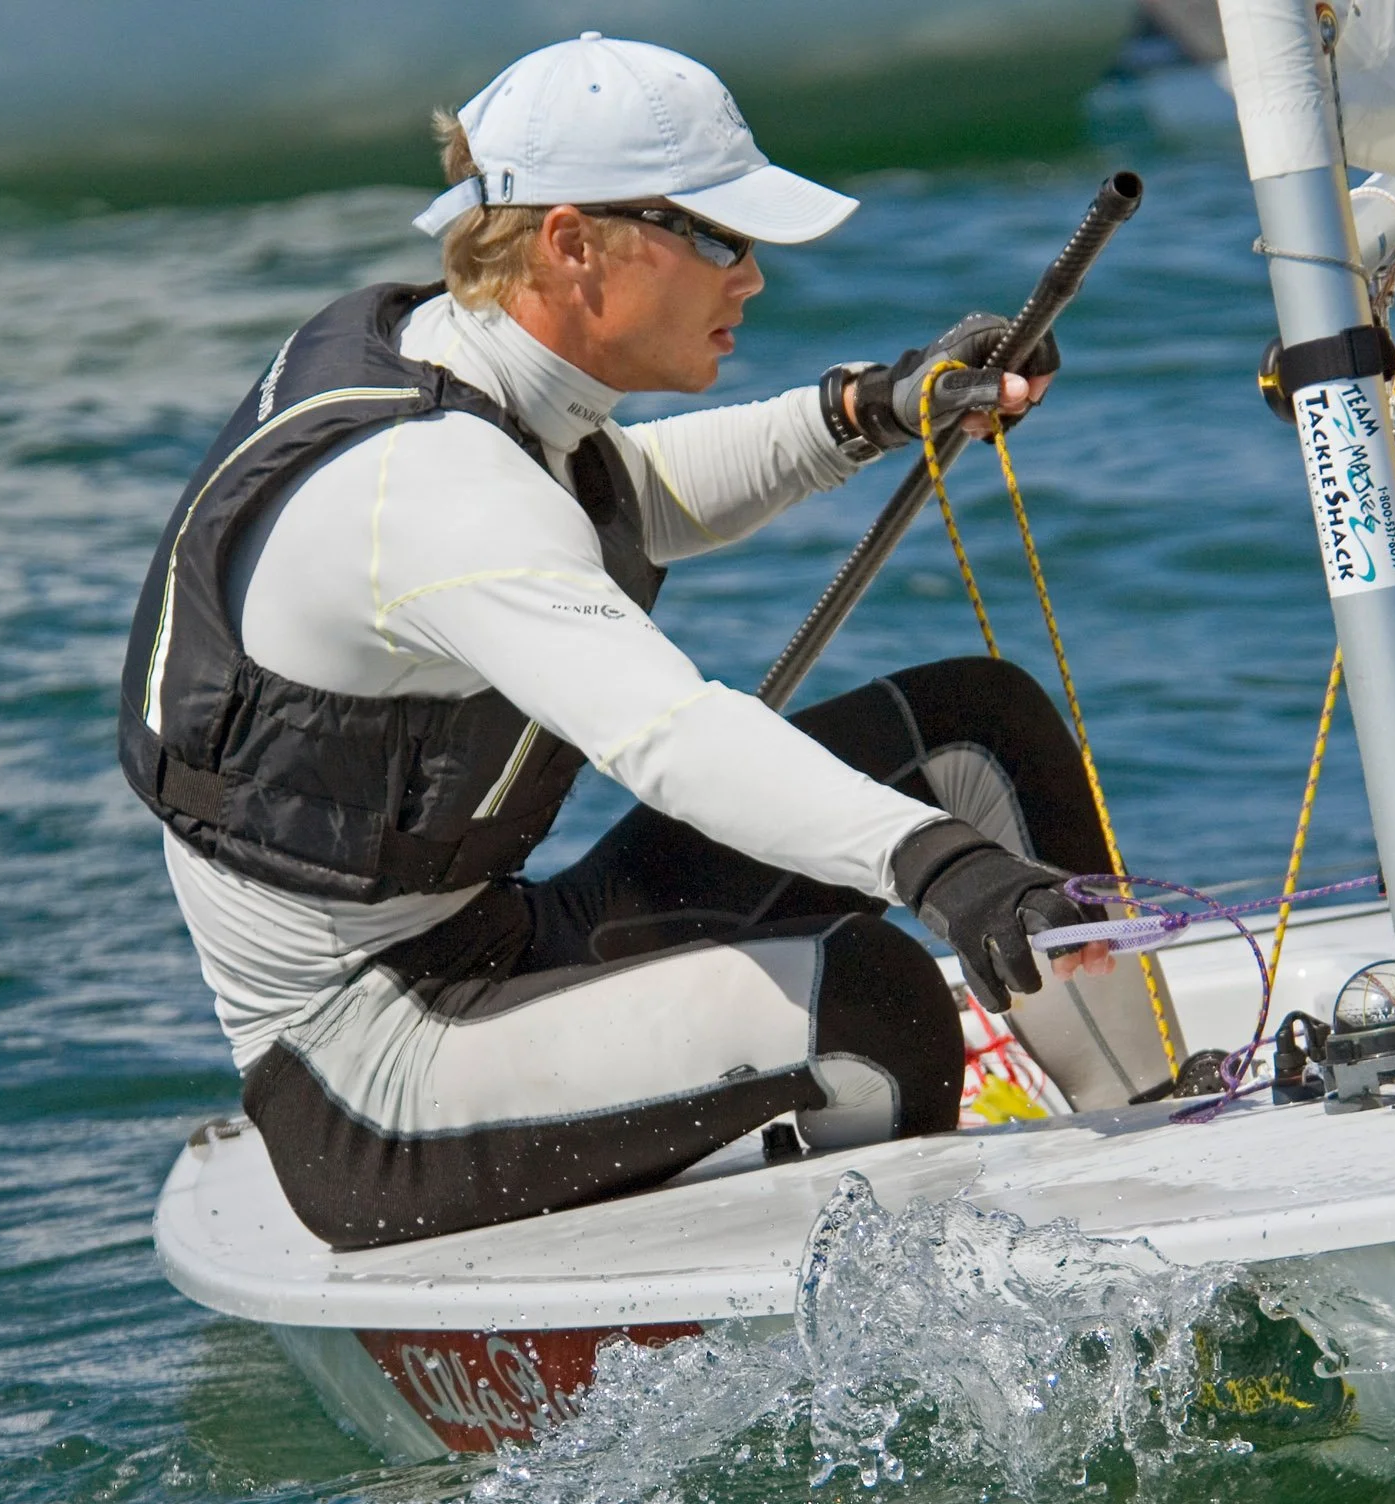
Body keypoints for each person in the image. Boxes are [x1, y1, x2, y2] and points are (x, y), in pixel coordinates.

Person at [117, 33, 1177, 1251]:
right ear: (572, 243)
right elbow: (668, 736)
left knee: (973, 726)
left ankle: (1158, 1155)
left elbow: (633, 495)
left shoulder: (467, 369)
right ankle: (911, 1355)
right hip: (377, 1080)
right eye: (717, 238)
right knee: (873, 999)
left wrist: (872, 407)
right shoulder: (432, 487)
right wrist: (943, 868)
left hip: (501, 943)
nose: (753, 276)